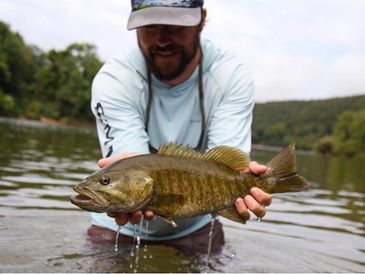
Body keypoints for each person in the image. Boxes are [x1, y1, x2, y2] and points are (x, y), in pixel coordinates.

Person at [88, 0, 272, 253]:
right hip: (119, 227)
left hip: (198, 226)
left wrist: (246, 181)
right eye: (150, 26)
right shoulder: (115, 79)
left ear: (201, 20)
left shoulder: (229, 74)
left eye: (175, 25)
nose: (162, 39)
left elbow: (229, 162)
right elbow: (130, 164)